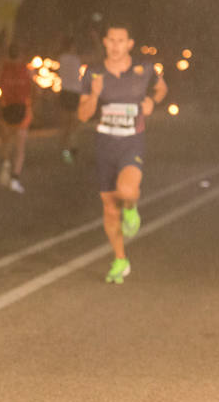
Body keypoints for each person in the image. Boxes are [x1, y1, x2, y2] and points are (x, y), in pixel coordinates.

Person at [77, 21, 167, 284]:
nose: (115, 46)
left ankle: (131, 206)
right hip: (105, 145)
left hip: (131, 143)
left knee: (126, 191)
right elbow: (82, 115)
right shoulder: (93, 73)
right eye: (111, 41)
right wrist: (94, 96)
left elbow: (162, 88)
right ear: (105, 43)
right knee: (109, 209)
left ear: (129, 44)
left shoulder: (144, 68)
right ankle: (120, 259)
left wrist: (152, 101)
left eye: (121, 41)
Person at [0, 44, 33, 194]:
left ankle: (6, 165)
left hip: (6, 109)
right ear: (21, 54)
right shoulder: (27, 69)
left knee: (6, 142)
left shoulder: (2, 68)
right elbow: (35, 88)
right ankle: (15, 179)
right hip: (22, 110)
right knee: (20, 148)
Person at [55, 34, 85, 163]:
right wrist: (95, 40)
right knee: (73, 123)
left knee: (65, 124)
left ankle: (66, 150)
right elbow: (97, 56)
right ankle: (71, 147)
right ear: (72, 46)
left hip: (65, 92)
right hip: (73, 93)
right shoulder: (76, 59)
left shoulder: (61, 58)